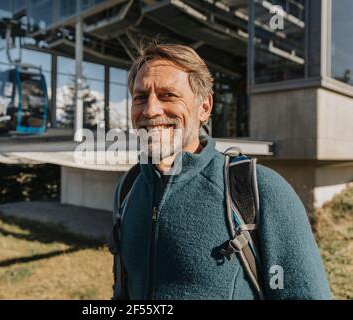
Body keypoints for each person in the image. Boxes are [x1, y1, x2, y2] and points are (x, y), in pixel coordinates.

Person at [112, 42, 332, 300]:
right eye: (140, 97)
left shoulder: (259, 190)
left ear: (204, 107)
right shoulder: (128, 189)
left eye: (168, 95)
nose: (150, 110)